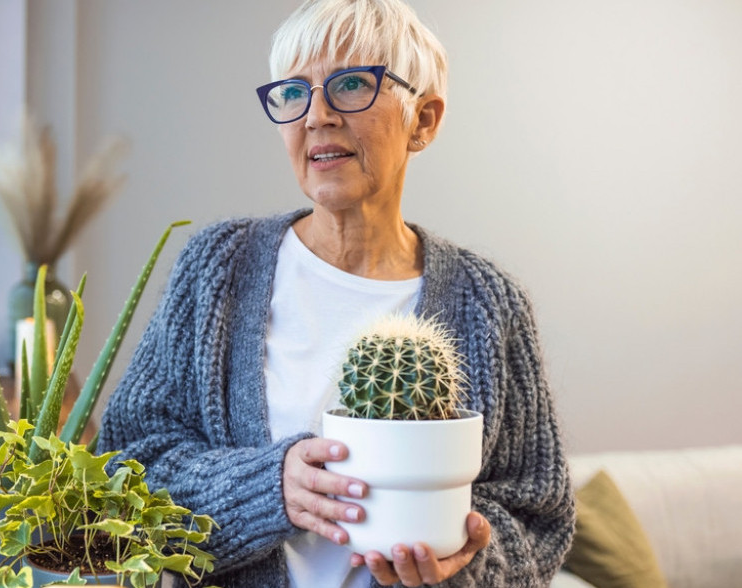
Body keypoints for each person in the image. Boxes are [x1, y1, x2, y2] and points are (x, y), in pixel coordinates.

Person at [98, 0, 575, 586]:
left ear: (422, 120)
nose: (316, 116)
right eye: (293, 93)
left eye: (351, 85)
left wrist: (465, 563)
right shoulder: (216, 269)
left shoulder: (488, 303)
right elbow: (126, 469)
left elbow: (539, 518)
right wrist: (266, 487)